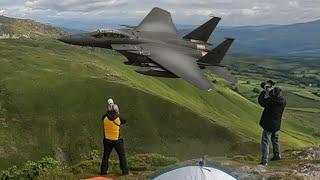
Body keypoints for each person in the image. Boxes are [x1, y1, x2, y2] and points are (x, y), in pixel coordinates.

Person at [258, 86, 286, 166]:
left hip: (268, 125)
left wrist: (264, 91)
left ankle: (264, 161)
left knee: (265, 141)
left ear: (273, 94)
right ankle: (277, 155)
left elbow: (261, 101)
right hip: (277, 125)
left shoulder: (271, 101)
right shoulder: (283, 101)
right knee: (275, 140)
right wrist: (271, 93)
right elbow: (274, 98)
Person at [100, 98, 129, 175]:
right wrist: (117, 112)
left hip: (107, 140)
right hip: (117, 140)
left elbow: (104, 117)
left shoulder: (104, 117)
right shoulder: (118, 117)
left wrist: (109, 111)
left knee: (105, 156)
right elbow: (124, 120)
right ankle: (125, 172)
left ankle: (103, 171)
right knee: (122, 155)